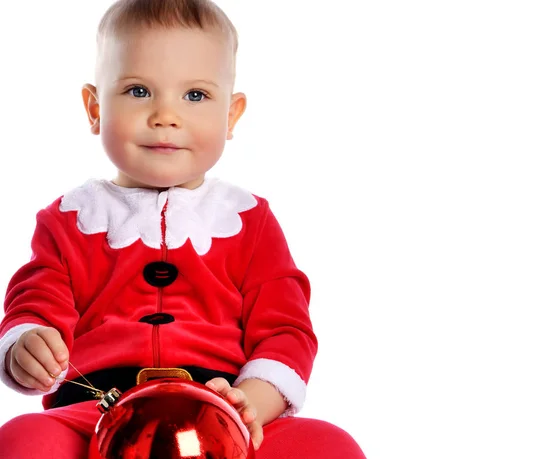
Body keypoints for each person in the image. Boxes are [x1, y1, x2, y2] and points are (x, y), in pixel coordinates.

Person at [0, 0, 366, 457]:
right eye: (138, 91)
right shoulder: (70, 219)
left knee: (330, 445)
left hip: (224, 408)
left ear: (231, 116)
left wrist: (248, 403)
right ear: (94, 108)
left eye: (195, 95)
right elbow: (36, 300)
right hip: (96, 411)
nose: (165, 115)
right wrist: (27, 345)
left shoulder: (249, 220)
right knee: (23, 439)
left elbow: (286, 332)